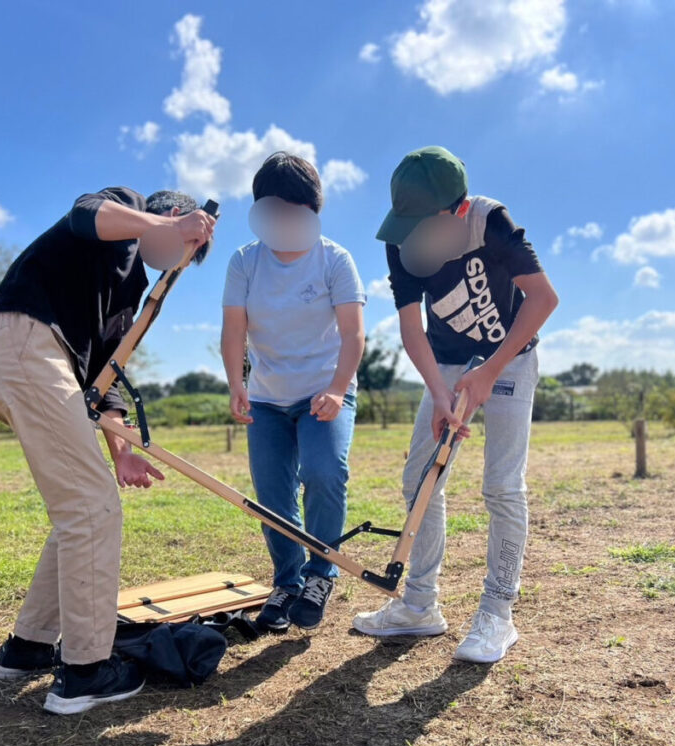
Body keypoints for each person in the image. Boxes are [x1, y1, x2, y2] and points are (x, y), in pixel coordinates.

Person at [0, 186, 215, 714]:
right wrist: (164, 229)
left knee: (79, 508)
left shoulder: (129, 295)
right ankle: (85, 673)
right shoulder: (121, 211)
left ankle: (28, 647)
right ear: (171, 215)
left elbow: (105, 381)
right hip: (25, 344)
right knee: (92, 508)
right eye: (183, 244)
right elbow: (85, 215)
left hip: (24, 359)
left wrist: (121, 450)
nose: (177, 258)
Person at [353, 146, 558, 664]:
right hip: (443, 362)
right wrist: (442, 392)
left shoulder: (491, 221)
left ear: (457, 211)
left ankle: (498, 613)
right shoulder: (400, 239)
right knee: (420, 478)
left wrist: (489, 371)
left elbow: (542, 299)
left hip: (510, 357)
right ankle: (420, 605)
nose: (412, 232)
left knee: (502, 487)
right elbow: (409, 326)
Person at [221, 152, 366, 632]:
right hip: (266, 398)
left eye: (293, 208)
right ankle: (286, 582)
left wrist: (338, 388)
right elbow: (233, 331)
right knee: (272, 495)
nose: (283, 219)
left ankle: (320, 574)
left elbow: (353, 335)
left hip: (325, 390)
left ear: (311, 210)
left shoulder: (335, 259)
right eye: (273, 208)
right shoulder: (244, 261)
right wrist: (236, 383)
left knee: (325, 474)